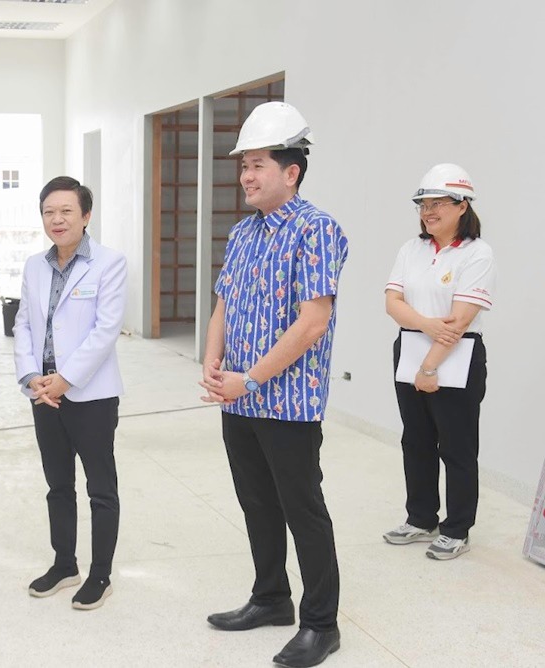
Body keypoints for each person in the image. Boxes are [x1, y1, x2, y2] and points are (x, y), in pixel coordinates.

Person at [199, 102, 348, 668]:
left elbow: (313, 322)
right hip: (237, 397)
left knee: (302, 509)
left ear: (292, 170)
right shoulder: (242, 233)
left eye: (258, 164)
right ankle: (270, 598)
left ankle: (321, 624)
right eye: (244, 166)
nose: (247, 176)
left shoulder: (317, 230)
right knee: (256, 502)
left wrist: (251, 379)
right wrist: (212, 363)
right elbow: (224, 303)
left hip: (287, 403)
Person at [13, 176, 126, 611]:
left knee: (100, 488)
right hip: (44, 394)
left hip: (90, 395)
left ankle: (100, 575)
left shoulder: (109, 263)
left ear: (86, 216)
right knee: (58, 485)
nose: (56, 220)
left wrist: (66, 378)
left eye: (66, 211)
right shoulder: (33, 266)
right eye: (49, 212)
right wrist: (31, 377)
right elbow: (24, 324)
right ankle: (64, 565)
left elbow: (106, 330)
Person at [383, 164, 494, 561]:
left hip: (457, 357)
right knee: (415, 440)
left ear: (462, 205)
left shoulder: (477, 253)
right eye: (423, 205)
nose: (427, 212)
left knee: (457, 446)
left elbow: (460, 321)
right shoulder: (410, 250)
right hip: (410, 350)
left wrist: (429, 368)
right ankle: (421, 518)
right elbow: (392, 303)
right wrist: (427, 325)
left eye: (437, 204)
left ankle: (457, 529)